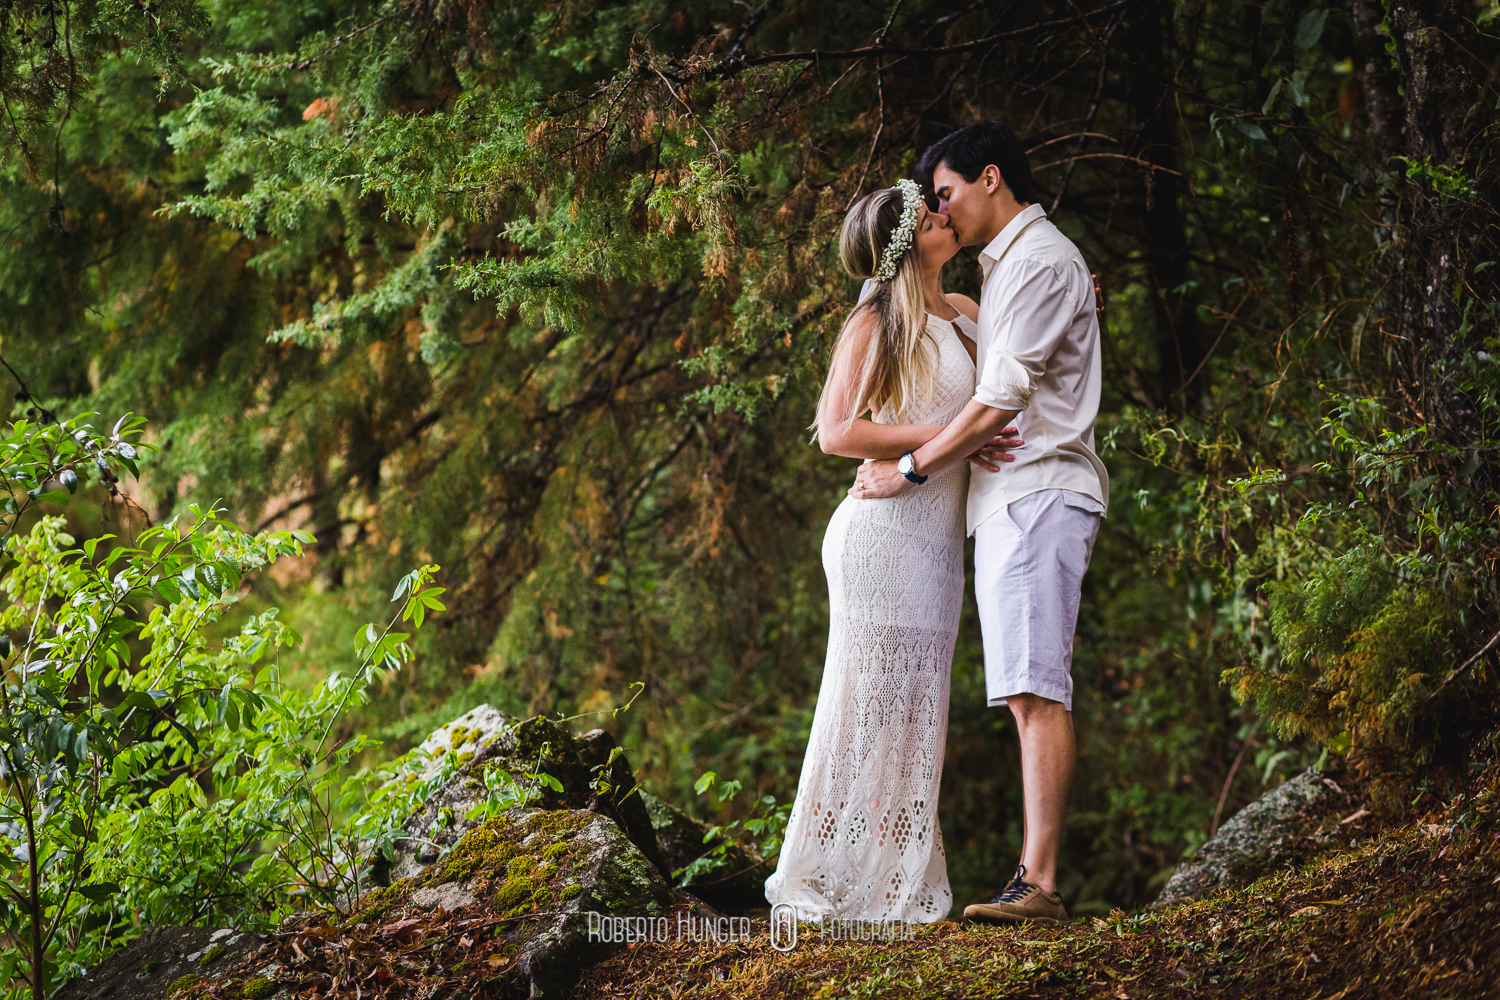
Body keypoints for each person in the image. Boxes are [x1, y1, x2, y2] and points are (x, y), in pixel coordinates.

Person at [852, 120, 1109, 924]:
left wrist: (909, 469)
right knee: (1025, 689)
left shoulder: (1033, 261)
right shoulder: (1012, 271)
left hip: (1038, 491)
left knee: (1035, 688)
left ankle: (1039, 884)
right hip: (1014, 500)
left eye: (946, 194)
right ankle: (1031, 878)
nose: (941, 211)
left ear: (990, 177)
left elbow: (1000, 400)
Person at [764, 178, 1021, 923]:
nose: (948, 218)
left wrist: (1081, 299)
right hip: (880, 538)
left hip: (937, 544)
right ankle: (839, 880)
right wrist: (943, 440)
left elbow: (1023, 361)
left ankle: (888, 876)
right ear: (909, 246)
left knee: (916, 712)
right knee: (867, 711)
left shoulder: (968, 314)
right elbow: (837, 431)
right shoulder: (876, 322)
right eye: (931, 216)